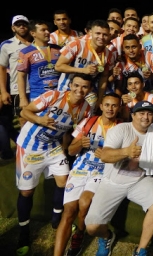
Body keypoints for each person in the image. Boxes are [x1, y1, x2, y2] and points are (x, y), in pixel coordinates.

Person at [84, 100, 153, 256]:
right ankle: (107, 237)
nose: (146, 117)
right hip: (112, 182)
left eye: (150, 114)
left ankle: (141, 249)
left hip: (139, 180)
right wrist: (126, 152)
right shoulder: (120, 130)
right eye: (141, 113)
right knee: (92, 227)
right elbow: (105, 156)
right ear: (133, 115)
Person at [15, 73, 92, 255]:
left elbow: (69, 132)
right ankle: (23, 233)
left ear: (89, 89)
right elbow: (24, 112)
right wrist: (40, 120)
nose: (80, 90)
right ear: (70, 85)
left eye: (84, 87)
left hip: (53, 147)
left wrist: (66, 149)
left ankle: (56, 220)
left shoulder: (86, 108)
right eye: (77, 85)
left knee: (64, 181)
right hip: (30, 146)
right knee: (26, 191)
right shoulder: (54, 96)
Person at [53, 93, 122, 256]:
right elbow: (70, 150)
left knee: (84, 204)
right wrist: (78, 144)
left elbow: (123, 155)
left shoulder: (121, 127)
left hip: (102, 170)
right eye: (107, 105)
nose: (110, 109)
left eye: (114, 105)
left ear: (119, 108)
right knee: (69, 211)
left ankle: (78, 234)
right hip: (80, 169)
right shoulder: (89, 122)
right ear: (101, 106)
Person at [55, 19, 114, 109]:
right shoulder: (77, 44)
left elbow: (104, 77)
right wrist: (83, 70)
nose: (101, 37)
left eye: (105, 34)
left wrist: (100, 98)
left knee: (88, 113)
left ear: (109, 35)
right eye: (97, 33)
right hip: (67, 87)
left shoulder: (109, 55)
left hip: (88, 91)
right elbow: (58, 66)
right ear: (91, 33)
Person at [17, 20, 61, 106]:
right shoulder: (25, 52)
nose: (47, 32)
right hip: (38, 95)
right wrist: (22, 99)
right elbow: (21, 76)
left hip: (58, 94)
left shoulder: (58, 49)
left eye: (48, 30)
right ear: (33, 33)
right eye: (43, 30)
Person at [0, 15, 33, 128]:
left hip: (38, 87)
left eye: (24, 24)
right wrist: (3, 91)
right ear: (13, 28)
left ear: (28, 26)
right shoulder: (6, 45)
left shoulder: (37, 43)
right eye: (18, 25)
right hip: (18, 89)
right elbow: (2, 68)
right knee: (24, 121)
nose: (21, 27)